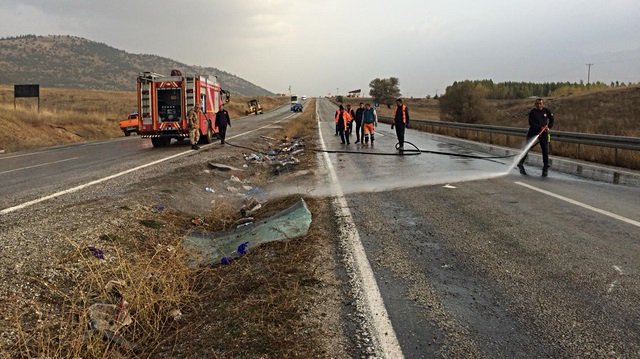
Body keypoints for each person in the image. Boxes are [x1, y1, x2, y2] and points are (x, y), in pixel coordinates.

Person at [518, 98, 555, 177]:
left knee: (544, 148)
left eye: (540, 104)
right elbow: (531, 123)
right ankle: (521, 162)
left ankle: (546, 163)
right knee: (527, 147)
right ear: (535, 104)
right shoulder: (532, 112)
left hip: (543, 133)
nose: (539, 105)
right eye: (537, 104)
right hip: (533, 132)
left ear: (542, 104)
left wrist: (549, 126)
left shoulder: (546, 111)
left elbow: (551, 118)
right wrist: (539, 127)